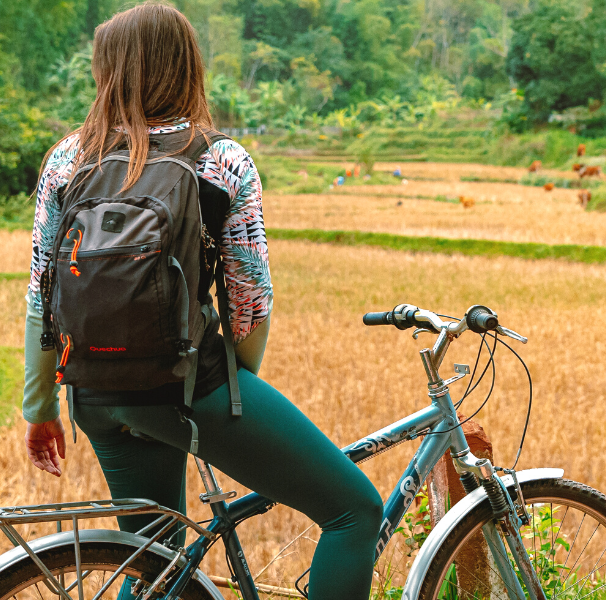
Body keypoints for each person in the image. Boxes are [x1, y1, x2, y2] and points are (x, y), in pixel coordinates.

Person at [20, 4, 383, 598]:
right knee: (353, 513)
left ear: (109, 72)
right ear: (186, 65)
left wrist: (40, 408)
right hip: (187, 389)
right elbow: (250, 301)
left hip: (94, 396)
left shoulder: (68, 158)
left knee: (153, 565)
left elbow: (42, 296)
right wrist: (235, 391)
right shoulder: (222, 160)